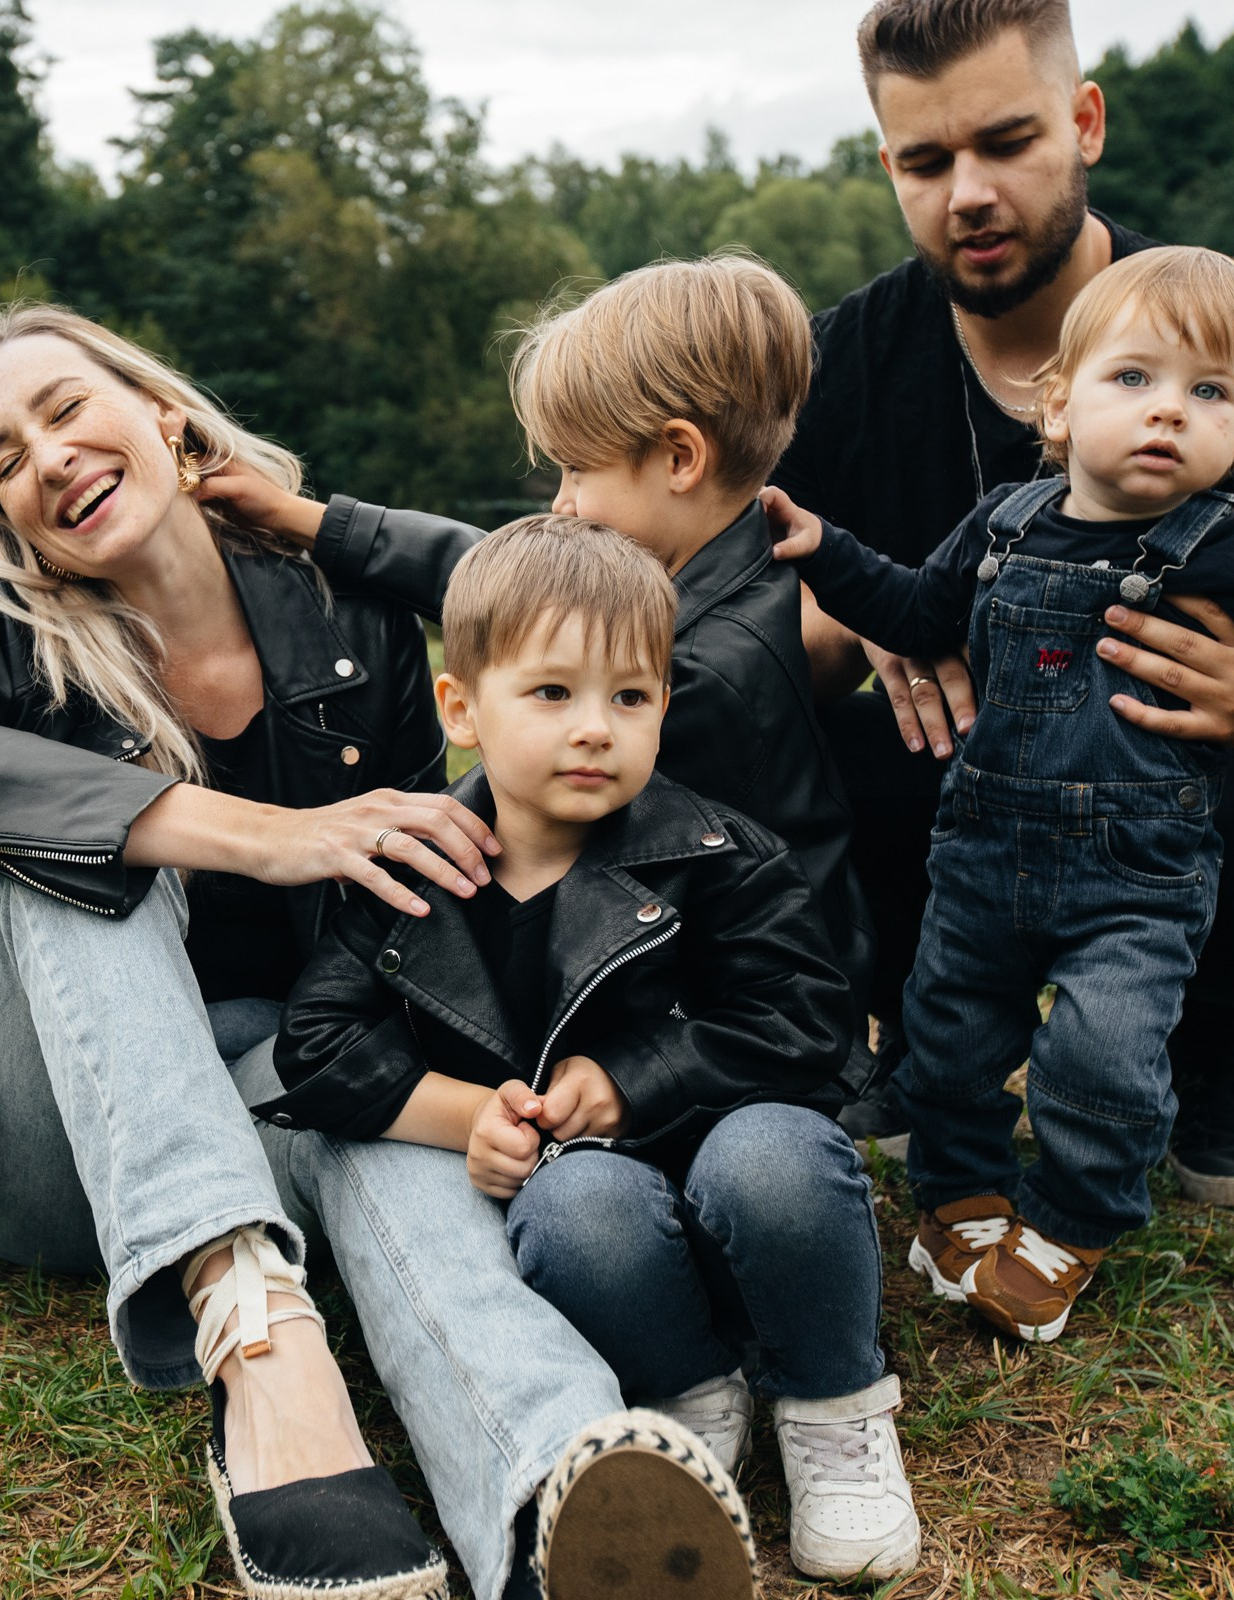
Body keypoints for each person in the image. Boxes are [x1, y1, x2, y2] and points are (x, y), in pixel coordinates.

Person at [0, 302, 725, 1600]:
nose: (46, 458)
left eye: (66, 407)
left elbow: (554, 600)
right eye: (3, 459)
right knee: (75, 842)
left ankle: (552, 1479)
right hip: (48, 1151)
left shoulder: (338, 602)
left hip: (268, 1092)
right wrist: (267, 837)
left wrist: (327, 523)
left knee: (376, 1110)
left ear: (159, 409)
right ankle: (258, 1347)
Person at [774, 0, 1234, 1207]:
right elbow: (745, 645)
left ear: (1085, 124)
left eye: (1006, 143)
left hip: (1182, 801)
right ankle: (925, 1033)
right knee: (781, 731)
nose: (967, 191)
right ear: (889, 168)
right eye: (926, 160)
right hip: (981, 801)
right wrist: (858, 617)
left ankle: (1216, 1036)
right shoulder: (841, 366)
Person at [767, 246, 1234, 1343]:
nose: (1170, 411)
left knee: (1102, 1059)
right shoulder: (1004, 523)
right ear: (1060, 403)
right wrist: (823, 549)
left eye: (1209, 393)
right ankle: (963, 1197)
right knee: (948, 1035)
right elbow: (915, 608)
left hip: (1138, 877)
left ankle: (1071, 1219)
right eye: (1136, 379)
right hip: (981, 857)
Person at [257, 516, 923, 1582]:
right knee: (574, 1204)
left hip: (746, 1194)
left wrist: (630, 1082)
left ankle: (832, 1400)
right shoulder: (415, 876)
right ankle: (688, 1390)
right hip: (603, 1238)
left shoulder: (713, 850)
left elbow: (809, 1022)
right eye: (553, 693)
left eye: (631, 696)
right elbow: (321, 1043)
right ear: (462, 708)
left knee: (772, 1156)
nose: (595, 729)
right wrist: (466, 1113)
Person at [202, 255, 876, 1088]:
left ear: (678, 458)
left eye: (578, 470)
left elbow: (692, 937)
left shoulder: (700, 675)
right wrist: (310, 521)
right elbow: (491, 576)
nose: (559, 502)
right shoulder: (717, 581)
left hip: (739, 1042)